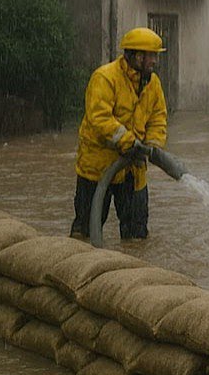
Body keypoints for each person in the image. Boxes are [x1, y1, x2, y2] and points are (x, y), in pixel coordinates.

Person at [70, 27, 169, 241]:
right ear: (137, 56)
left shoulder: (153, 83)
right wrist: (127, 141)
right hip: (97, 170)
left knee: (136, 238)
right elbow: (99, 118)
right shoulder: (105, 78)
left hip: (133, 170)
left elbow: (158, 117)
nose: (155, 61)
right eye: (152, 55)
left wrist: (152, 146)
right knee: (85, 233)